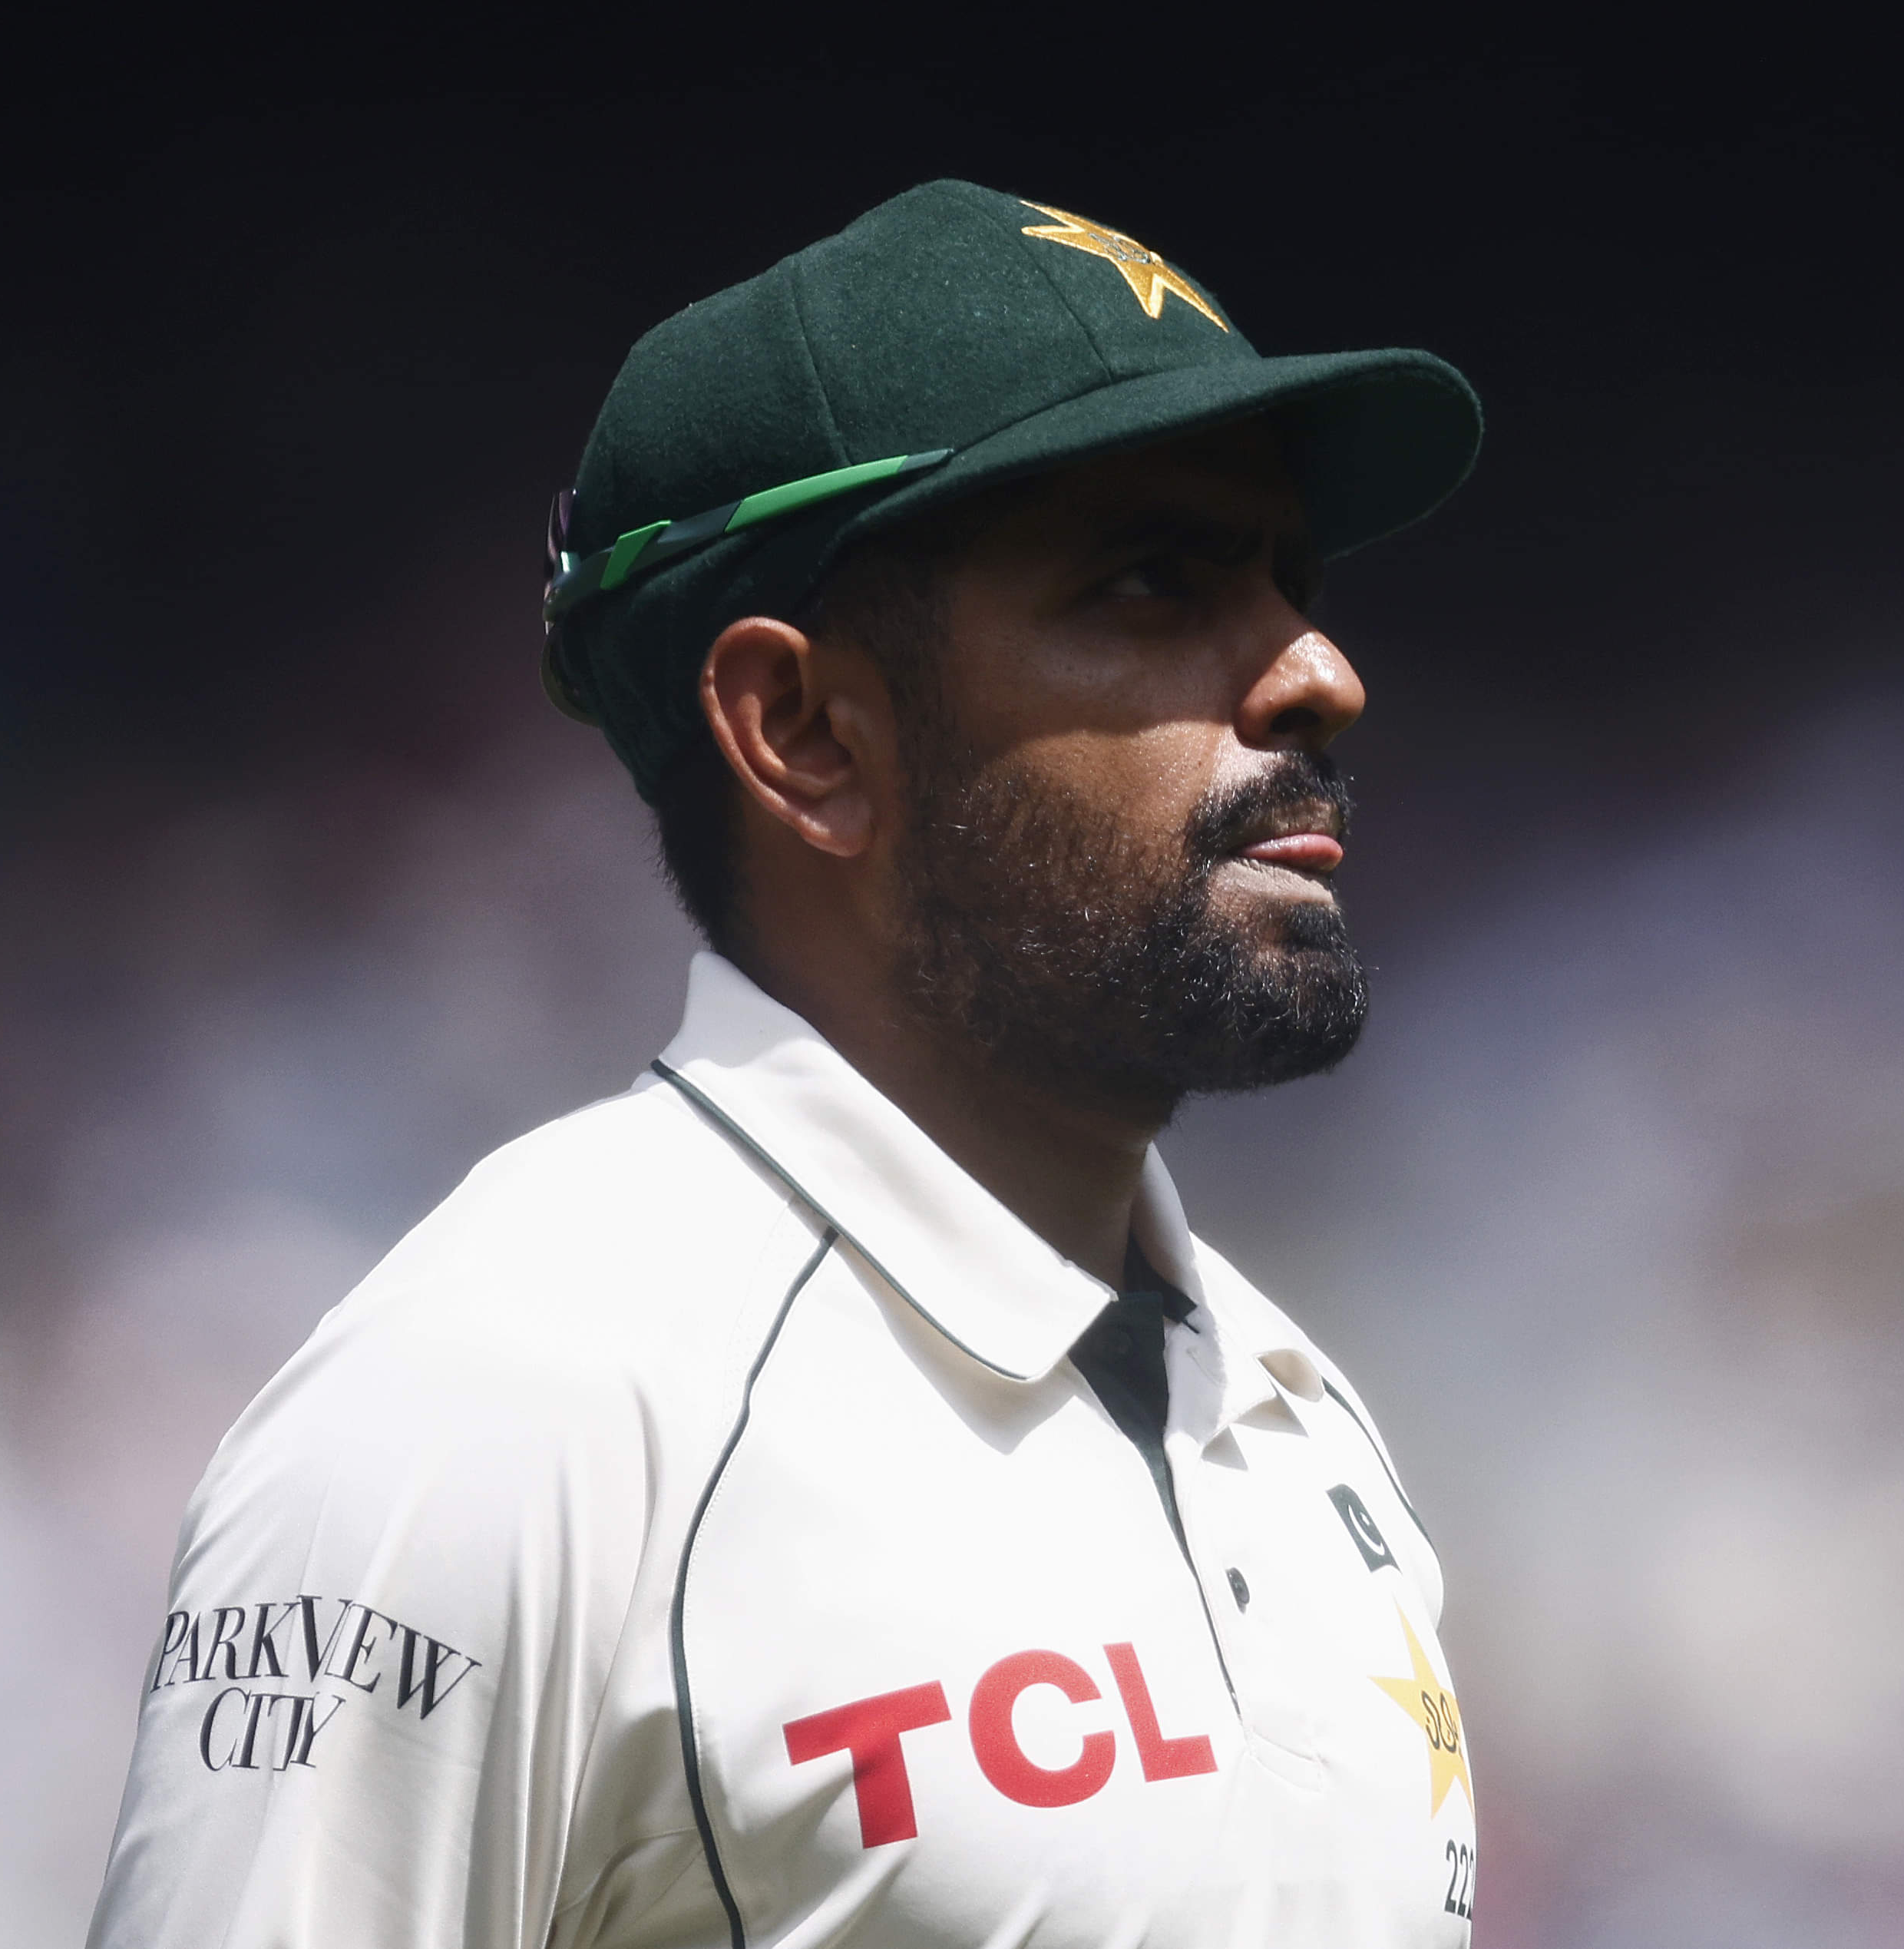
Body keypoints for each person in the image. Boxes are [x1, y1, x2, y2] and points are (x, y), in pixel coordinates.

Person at [87, 177, 1485, 1949]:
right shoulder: (492, 1412)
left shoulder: (1300, 1413)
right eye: (1153, 581)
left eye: (1291, 579)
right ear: (805, 731)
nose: (1320, 674)